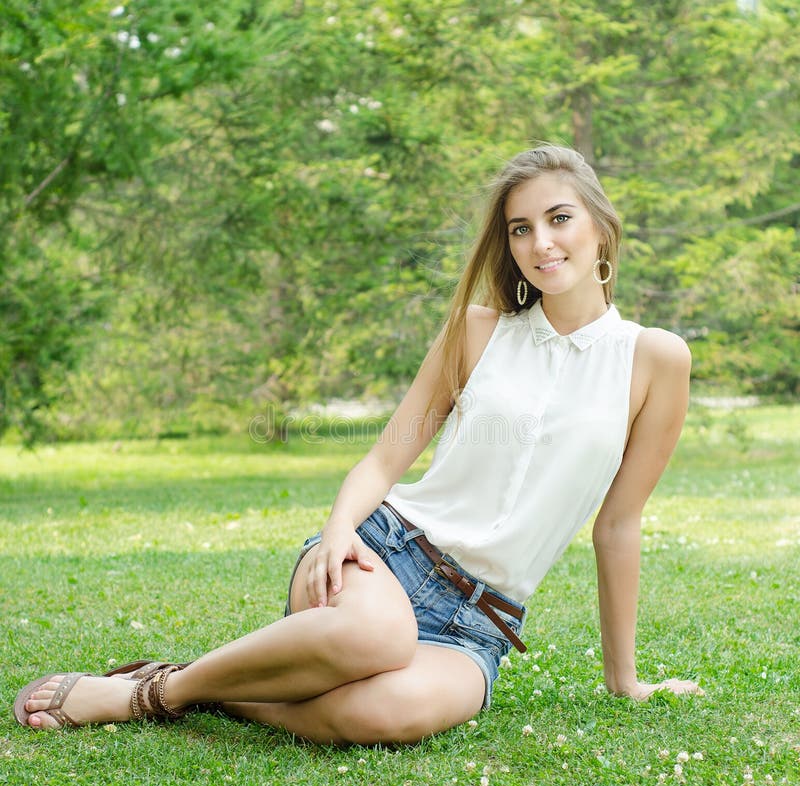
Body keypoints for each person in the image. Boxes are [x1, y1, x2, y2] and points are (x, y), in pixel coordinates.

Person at [14, 144, 703, 742]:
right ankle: (146, 694)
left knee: (384, 714)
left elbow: (617, 525)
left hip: (479, 624)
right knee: (378, 636)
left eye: (559, 219)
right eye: (521, 229)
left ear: (601, 229)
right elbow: (384, 457)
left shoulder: (655, 359)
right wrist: (340, 526)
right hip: (386, 556)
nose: (541, 243)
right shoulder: (477, 331)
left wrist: (626, 682)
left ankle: (213, 687)